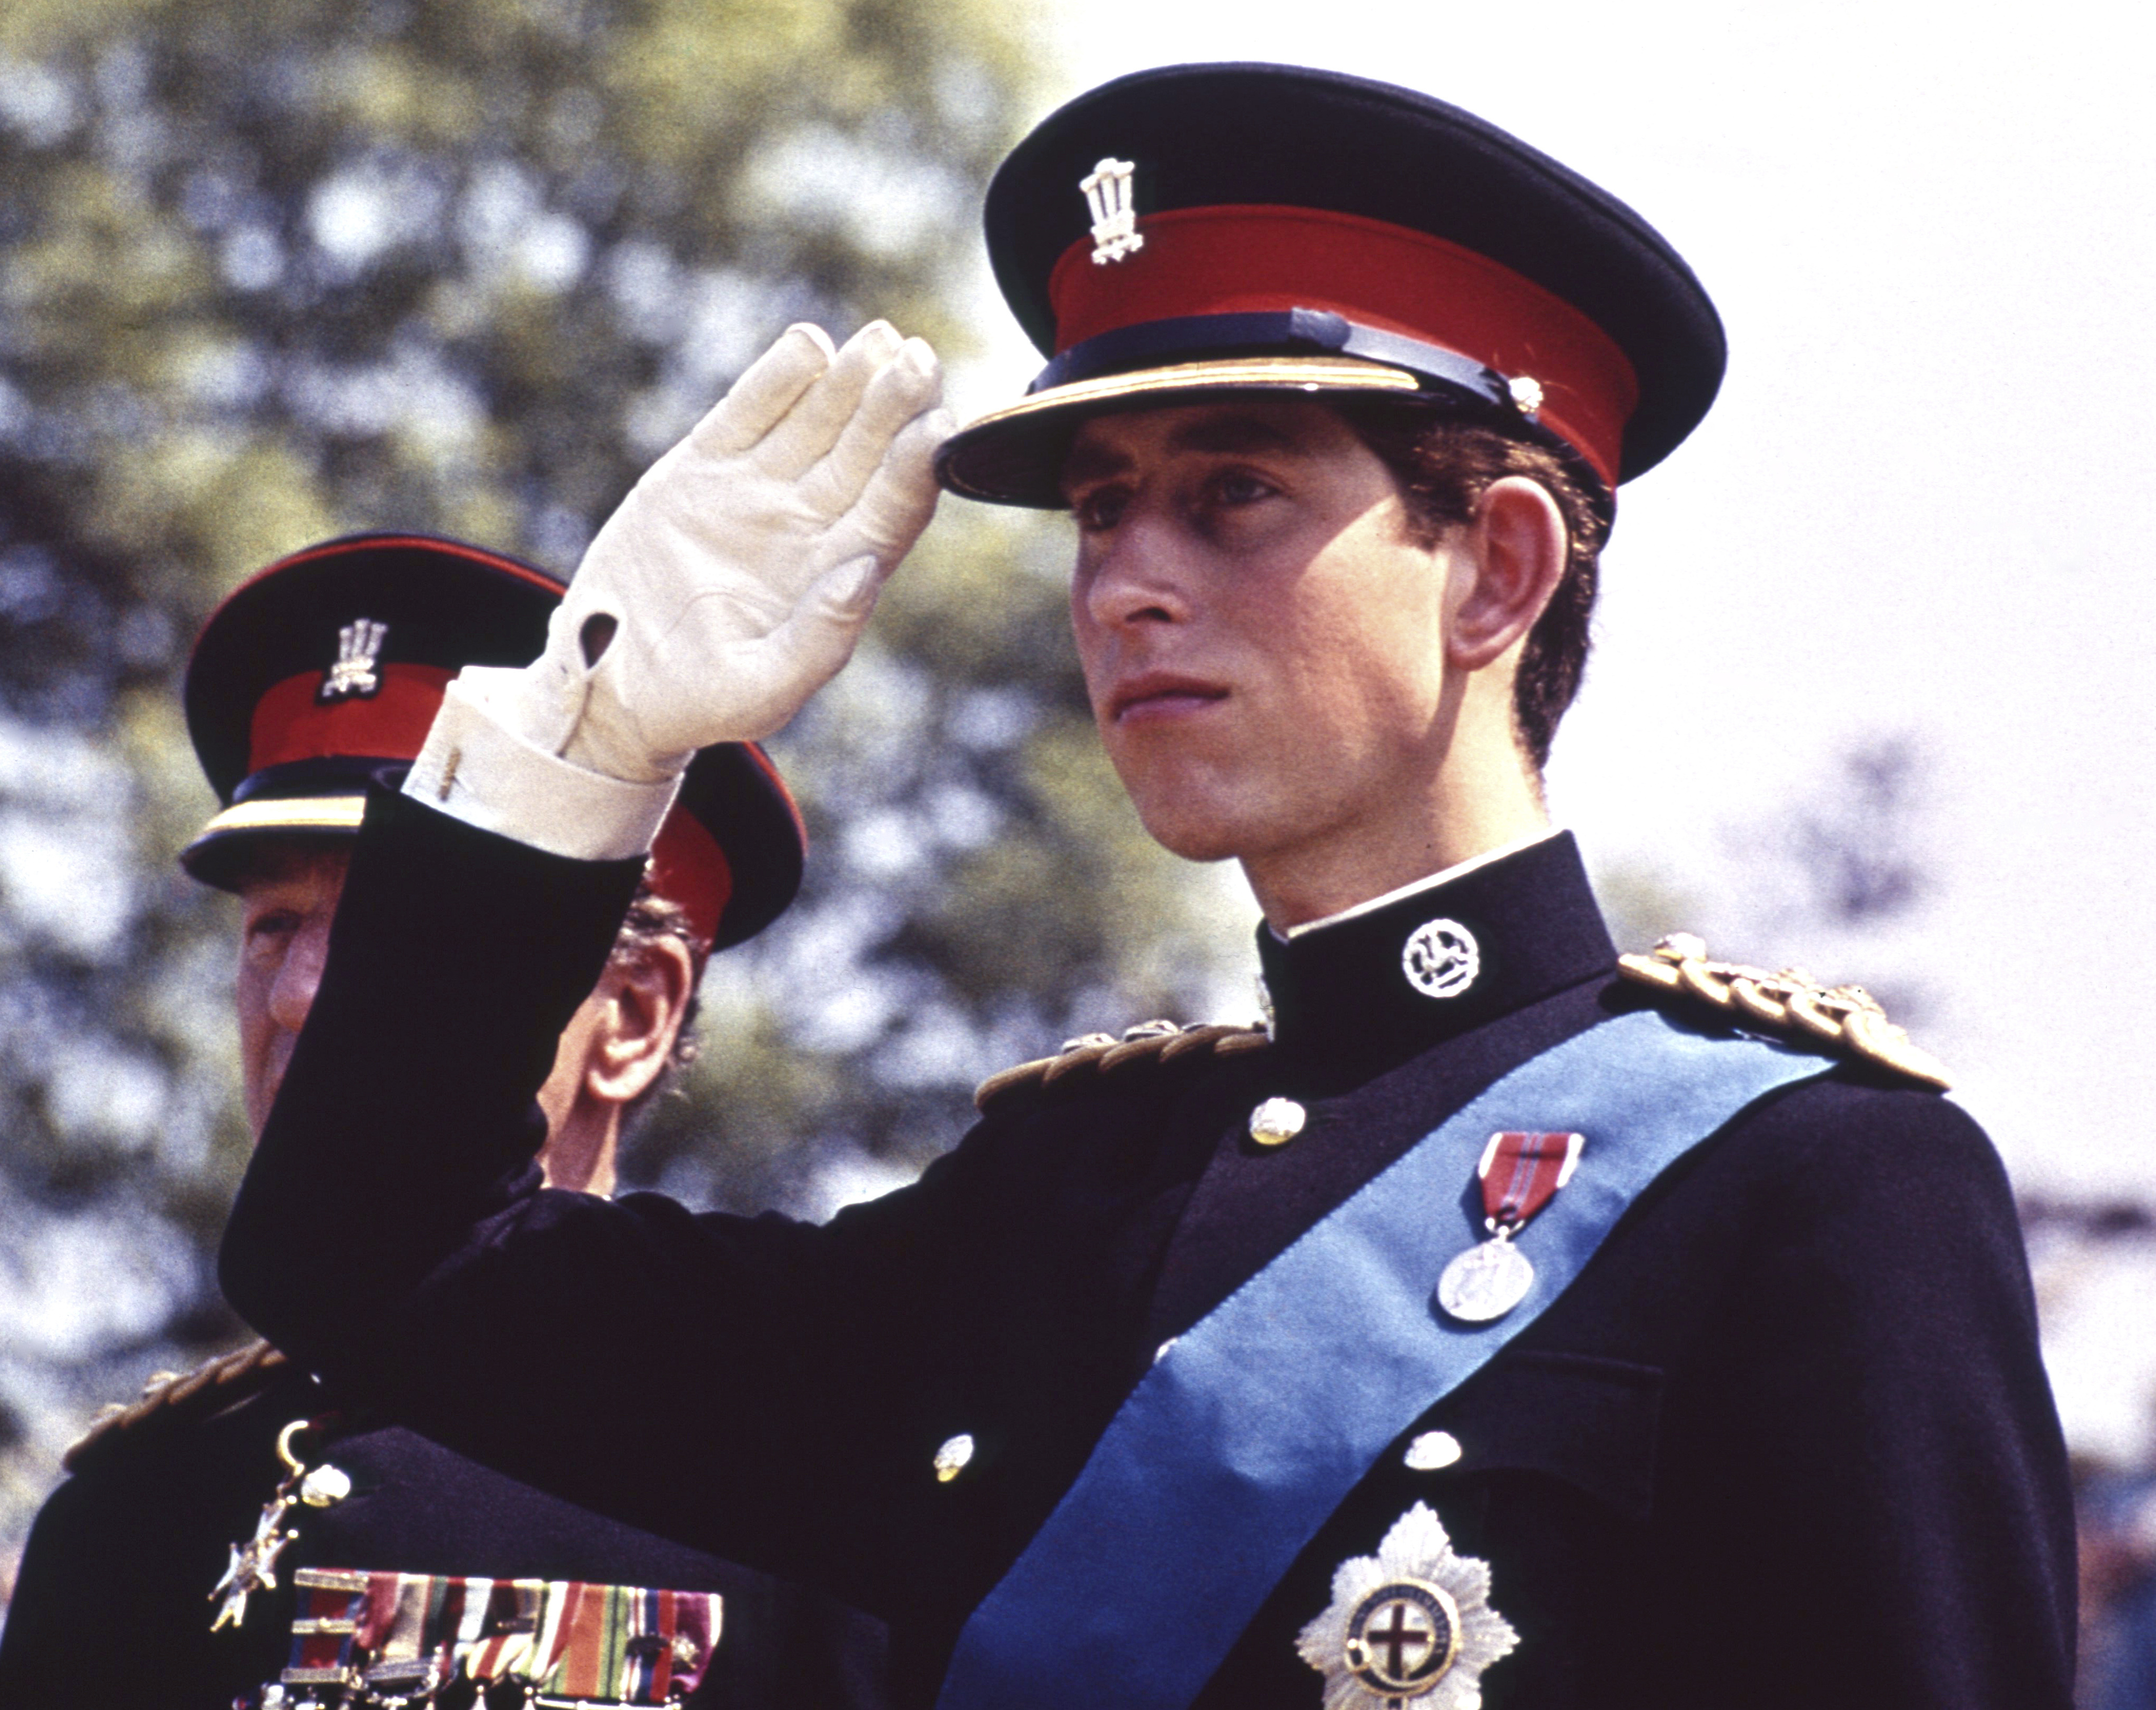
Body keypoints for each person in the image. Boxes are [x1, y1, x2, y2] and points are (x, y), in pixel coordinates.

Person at [216, 66, 2076, 1710]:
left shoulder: (1805, 1190)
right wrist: (588, 741)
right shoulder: (1063, 1198)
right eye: (1101, 507)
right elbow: (376, 1259)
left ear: (1494, 569)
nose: (1124, 582)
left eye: (1233, 493)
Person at [0, 533, 890, 1709]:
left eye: (384, 932)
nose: (302, 991)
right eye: (273, 926)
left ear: (633, 1013)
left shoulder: (797, 1471)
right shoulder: (129, 1512)